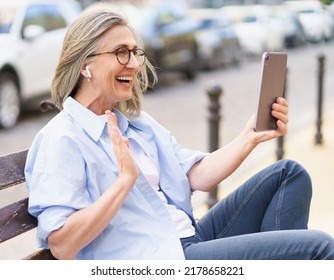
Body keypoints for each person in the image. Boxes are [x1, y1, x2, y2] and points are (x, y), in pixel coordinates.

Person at [25, 5, 334, 260]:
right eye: (121, 52)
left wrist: (249, 135)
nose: (133, 63)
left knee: (289, 174)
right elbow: (62, 245)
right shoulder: (62, 139)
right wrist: (123, 184)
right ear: (85, 64)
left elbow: (195, 175)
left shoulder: (138, 123)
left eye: (135, 52)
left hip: (187, 237)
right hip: (159, 260)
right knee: (319, 248)